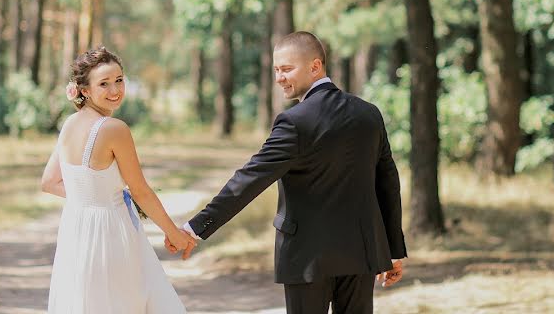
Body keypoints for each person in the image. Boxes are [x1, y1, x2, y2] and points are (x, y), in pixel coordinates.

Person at [169, 31, 406, 314]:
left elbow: (249, 180)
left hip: (308, 256)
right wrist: (393, 250)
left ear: (315, 66)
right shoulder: (368, 113)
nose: (279, 77)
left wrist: (195, 229)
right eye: (277, 70)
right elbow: (388, 184)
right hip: (362, 253)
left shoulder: (295, 122)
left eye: (287, 69)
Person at [41, 46, 194, 314]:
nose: (115, 91)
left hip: (75, 229)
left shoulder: (69, 125)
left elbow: (50, 182)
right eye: (104, 84)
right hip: (110, 231)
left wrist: (93, 196)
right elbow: (140, 191)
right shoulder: (114, 129)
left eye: (119, 80)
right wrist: (175, 235)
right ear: (84, 90)